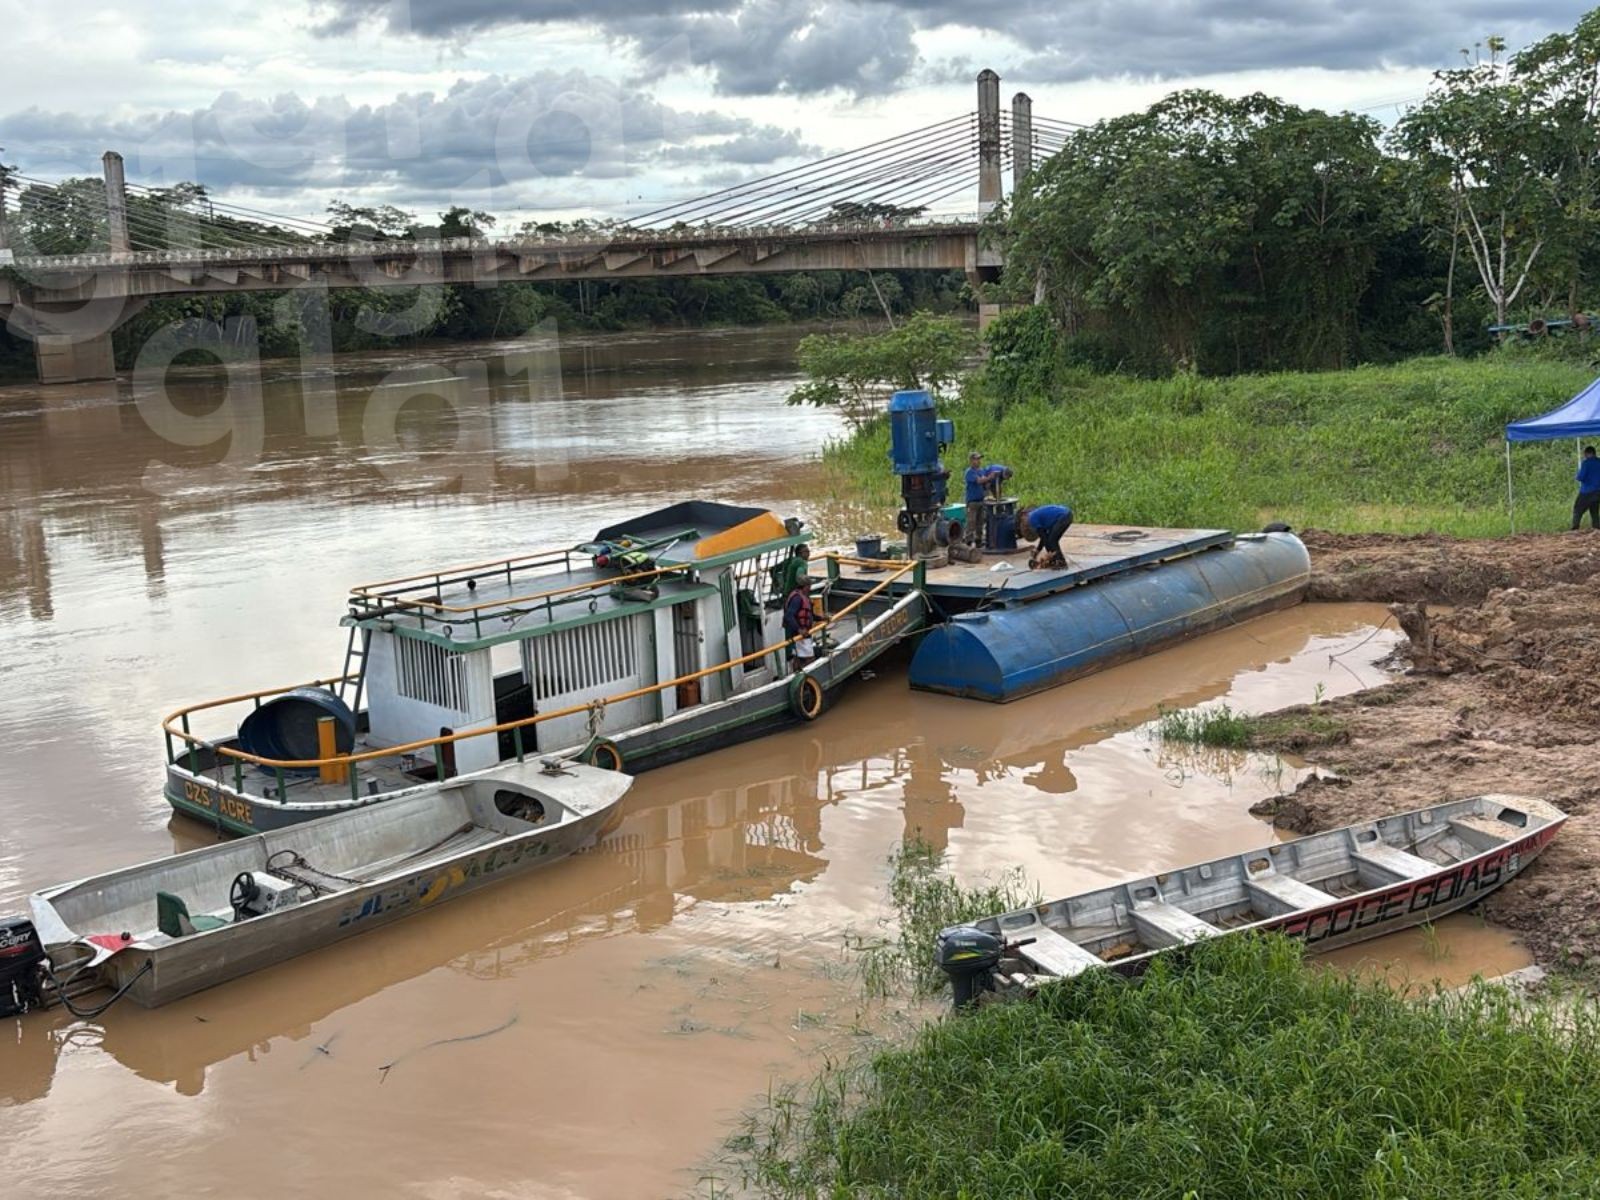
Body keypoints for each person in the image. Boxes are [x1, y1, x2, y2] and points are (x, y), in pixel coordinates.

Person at [963, 452, 1011, 544]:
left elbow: (986, 484)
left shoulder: (981, 471)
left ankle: (978, 540)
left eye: (979, 459)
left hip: (981, 500)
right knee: (971, 522)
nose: (978, 461)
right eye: (976, 459)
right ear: (971, 461)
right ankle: (968, 541)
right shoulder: (969, 472)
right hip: (972, 502)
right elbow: (979, 481)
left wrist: (992, 486)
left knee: (980, 523)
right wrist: (990, 477)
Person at [1018, 503, 1074, 569]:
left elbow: (1044, 538)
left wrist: (1049, 554)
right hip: (1067, 514)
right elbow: (1044, 537)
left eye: (1022, 520)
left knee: (1052, 540)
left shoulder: (1032, 519)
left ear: (1024, 515)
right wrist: (1038, 550)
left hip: (1064, 516)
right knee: (1052, 540)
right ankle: (1057, 560)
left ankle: (1060, 562)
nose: (1024, 524)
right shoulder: (1036, 515)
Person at [782, 571, 817, 672]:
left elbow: (810, 615)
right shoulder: (797, 599)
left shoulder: (803, 597)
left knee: (798, 658)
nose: (810, 588)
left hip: (803, 634)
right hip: (800, 635)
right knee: (809, 659)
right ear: (805, 586)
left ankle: (797, 673)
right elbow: (789, 615)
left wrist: (822, 618)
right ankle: (806, 677)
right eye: (809, 585)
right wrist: (799, 629)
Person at [1574, 446, 1600, 530]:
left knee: (1578, 509)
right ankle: (1597, 528)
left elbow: (1580, 477)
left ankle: (1575, 528)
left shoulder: (1586, 463)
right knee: (1594, 511)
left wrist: (1577, 476)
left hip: (1587, 491)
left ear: (1588, 453)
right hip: (1598, 491)